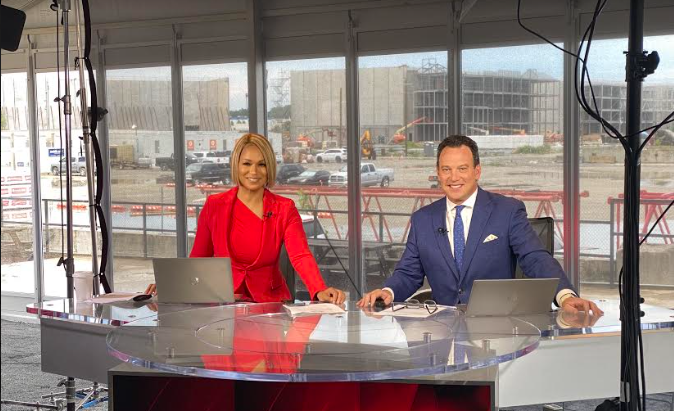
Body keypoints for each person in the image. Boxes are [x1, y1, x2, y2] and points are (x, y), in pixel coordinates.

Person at [358, 135, 602, 315]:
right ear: (438, 174)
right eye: (446, 170)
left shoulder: (507, 210)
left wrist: (566, 296)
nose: (454, 178)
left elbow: (535, 257)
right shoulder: (423, 219)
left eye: (462, 169)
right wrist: (387, 292)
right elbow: (408, 272)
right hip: (444, 333)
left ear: (477, 171)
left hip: (498, 330)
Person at [190, 133, 345, 304]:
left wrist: (319, 289)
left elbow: (300, 255)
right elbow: (198, 258)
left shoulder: (285, 208)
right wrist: (170, 287)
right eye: (247, 164)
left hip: (270, 304)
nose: (253, 172)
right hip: (223, 303)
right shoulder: (214, 205)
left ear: (269, 167)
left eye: (261, 164)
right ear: (236, 165)